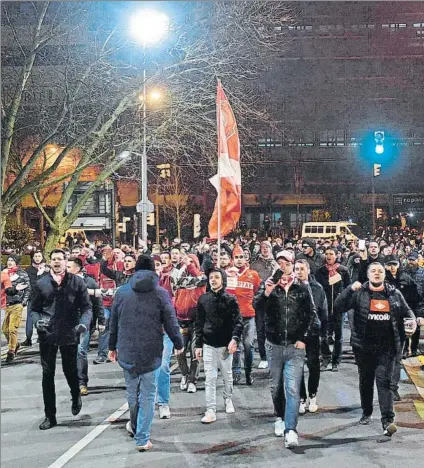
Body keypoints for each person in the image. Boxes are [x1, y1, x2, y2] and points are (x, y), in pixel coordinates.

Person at [108, 255, 184, 452]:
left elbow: (113, 322)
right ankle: (142, 437)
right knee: (148, 396)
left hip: (126, 349)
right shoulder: (160, 293)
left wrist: (111, 347)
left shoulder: (122, 292)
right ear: (153, 271)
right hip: (151, 351)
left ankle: (134, 427)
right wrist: (178, 342)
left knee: (133, 393)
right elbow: (170, 320)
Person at [334, 262, 417, 436]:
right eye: (373, 271)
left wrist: (412, 323)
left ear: (384, 274)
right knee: (366, 381)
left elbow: (408, 312)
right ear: (368, 274)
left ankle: (387, 421)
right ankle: (366, 411)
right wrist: (349, 289)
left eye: (380, 271)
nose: (377, 274)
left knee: (384, 383)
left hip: (387, 348)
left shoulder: (394, 294)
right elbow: (338, 307)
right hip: (363, 348)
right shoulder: (359, 293)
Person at [254, 249, 317, 448]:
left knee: (292, 388)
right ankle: (279, 417)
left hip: (295, 347)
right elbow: (256, 306)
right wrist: (265, 293)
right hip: (273, 345)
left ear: (292, 266)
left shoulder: (302, 287)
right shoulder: (269, 285)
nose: (283, 267)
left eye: (286, 264)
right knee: (276, 387)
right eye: (279, 263)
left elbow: (312, 316)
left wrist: (304, 338)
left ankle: (291, 429)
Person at [30, 249, 92, 430]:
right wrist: (36, 322)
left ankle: (75, 395)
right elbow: (34, 309)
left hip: (69, 332)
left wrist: (84, 324)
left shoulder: (77, 282)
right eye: (54, 259)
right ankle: (50, 416)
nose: (57, 262)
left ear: (66, 262)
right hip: (47, 334)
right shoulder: (41, 284)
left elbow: (87, 307)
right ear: (50, 262)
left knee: (70, 371)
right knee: (47, 375)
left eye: (60, 259)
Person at [195, 268, 243, 423]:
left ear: (223, 280)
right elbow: (199, 323)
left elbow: (238, 322)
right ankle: (211, 409)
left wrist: (234, 339)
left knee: (227, 375)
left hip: (225, 345)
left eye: (216, 277)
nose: (213, 280)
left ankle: (228, 398)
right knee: (210, 377)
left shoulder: (231, 299)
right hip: (208, 344)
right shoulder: (203, 299)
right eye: (211, 277)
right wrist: (198, 345)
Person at [66, 258, 105, 396]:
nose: (66, 269)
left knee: (80, 350)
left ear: (77, 268)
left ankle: (82, 383)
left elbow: (98, 302)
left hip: (84, 321)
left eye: (69, 266)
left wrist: (101, 321)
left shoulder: (90, 282)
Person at [295, 259, 328, 414]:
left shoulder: (317, 288)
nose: (299, 271)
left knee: (313, 366)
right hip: (296, 333)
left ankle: (312, 395)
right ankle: (301, 398)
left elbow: (323, 311)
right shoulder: (291, 287)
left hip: (313, 333)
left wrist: (324, 333)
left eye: (302, 268)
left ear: (308, 270)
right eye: (297, 268)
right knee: (297, 367)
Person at [226, 245, 261, 385]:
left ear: (246, 258)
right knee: (235, 345)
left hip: (249, 316)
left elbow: (259, 292)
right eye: (236, 257)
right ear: (232, 259)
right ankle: (236, 372)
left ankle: (248, 372)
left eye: (241, 257)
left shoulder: (253, 274)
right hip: (234, 317)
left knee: (248, 344)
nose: (239, 260)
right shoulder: (228, 274)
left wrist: (254, 305)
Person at [94, 249, 135, 364]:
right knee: (106, 326)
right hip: (115, 306)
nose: (126, 263)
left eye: (129, 261)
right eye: (125, 261)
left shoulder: (138, 276)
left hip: (131, 309)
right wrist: (105, 259)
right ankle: (103, 354)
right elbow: (103, 270)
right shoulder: (119, 274)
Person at [174, 254, 207, 394]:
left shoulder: (202, 278)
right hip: (181, 321)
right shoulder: (180, 278)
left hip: (197, 322)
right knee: (179, 351)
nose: (188, 264)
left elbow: (199, 277)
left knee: (196, 351)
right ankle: (184, 374)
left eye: (192, 262)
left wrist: (189, 264)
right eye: (187, 262)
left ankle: (193, 379)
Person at [315, 246, 351, 372]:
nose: (329, 256)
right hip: (324, 309)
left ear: (337, 256)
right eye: (327, 253)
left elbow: (348, 289)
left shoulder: (343, 270)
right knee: (323, 335)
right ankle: (325, 358)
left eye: (331, 254)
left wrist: (343, 302)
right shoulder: (320, 271)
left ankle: (336, 361)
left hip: (339, 309)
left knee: (339, 336)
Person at [251, 241, 278, 369]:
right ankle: (263, 357)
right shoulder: (255, 265)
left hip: (274, 301)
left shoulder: (277, 264)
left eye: (267, 247)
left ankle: (274, 356)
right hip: (260, 301)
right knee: (260, 329)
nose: (265, 249)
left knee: (273, 329)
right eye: (263, 247)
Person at [3, 255, 30, 363]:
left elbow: (28, 289)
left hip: (17, 304)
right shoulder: (3, 273)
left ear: (16, 263)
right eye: (8, 260)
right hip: (5, 305)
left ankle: (11, 351)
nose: (9, 262)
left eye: (12, 261)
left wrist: (23, 302)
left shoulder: (22, 274)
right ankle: (16, 344)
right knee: (5, 330)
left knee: (12, 328)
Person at [22, 250, 50, 347]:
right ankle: (28, 338)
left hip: (44, 298)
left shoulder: (47, 270)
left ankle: (41, 336)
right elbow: (27, 283)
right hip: (32, 298)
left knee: (42, 318)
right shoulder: (29, 270)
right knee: (29, 318)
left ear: (42, 257)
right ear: (33, 258)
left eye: (39, 256)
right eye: (35, 256)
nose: (37, 258)